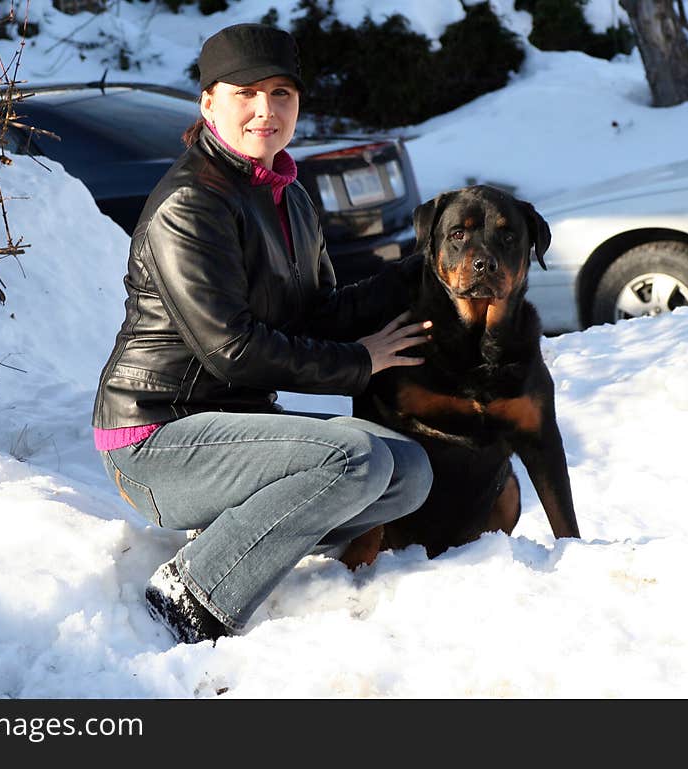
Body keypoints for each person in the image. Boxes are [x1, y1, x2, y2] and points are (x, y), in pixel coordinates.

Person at [92, 23, 433, 645]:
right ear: (207, 102)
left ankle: (248, 541)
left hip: (235, 431)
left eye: (281, 94)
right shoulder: (191, 203)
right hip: (156, 438)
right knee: (353, 458)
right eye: (244, 92)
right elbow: (233, 349)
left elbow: (316, 312)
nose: (264, 111)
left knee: (408, 468)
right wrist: (361, 363)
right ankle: (193, 591)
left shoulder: (290, 198)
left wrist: (417, 274)